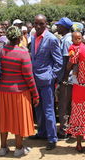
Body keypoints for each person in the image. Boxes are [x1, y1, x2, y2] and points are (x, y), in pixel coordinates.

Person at [0, 26, 39, 157]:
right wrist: (35, 95)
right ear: (19, 38)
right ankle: (19, 149)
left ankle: (3, 148)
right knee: (18, 121)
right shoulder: (23, 53)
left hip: (2, 91)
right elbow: (29, 77)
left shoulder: (0, 50)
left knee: (4, 120)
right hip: (19, 92)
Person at [29, 14, 62, 150]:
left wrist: (51, 77)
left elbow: (59, 62)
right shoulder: (33, 38)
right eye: (36, 23)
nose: (38, 26)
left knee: (48, 110)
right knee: (38, 108)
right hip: (34, 80)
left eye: (41, 24)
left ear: (46, 24)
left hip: (46, 81)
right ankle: (42, 133)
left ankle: (52, 138)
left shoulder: (52, 39)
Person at [55, 17, 73, 140]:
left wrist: (64, 78)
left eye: (59, 26)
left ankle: (64, 131)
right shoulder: (68, 38)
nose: (57, 28)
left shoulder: (67, 40)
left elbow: (68, 61)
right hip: (69, 77)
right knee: (67, 105)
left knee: (64, 105)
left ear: (64, 27)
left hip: (67, 78)